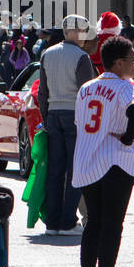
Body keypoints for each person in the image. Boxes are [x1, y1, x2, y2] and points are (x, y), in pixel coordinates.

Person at [72, 35, 134, 267]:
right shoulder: (126, 87)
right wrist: (127, 138)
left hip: (88, 160)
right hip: (115, 160)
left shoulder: (86, 88)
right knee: (113, 223)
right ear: (117, 63)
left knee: (94, 220)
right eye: (132, 59)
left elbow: (80, 123)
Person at [37, 14, 96, 234]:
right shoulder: (81, 57)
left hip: (52, 114)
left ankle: (52, 223)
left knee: (55, 170)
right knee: (75, 170)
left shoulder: (47, 54)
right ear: (73, 31)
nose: (83, 36)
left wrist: (46, 116)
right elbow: (86, 93)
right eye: (82, 31)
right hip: (75, 117)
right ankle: (68, 221)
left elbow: (42, 92)